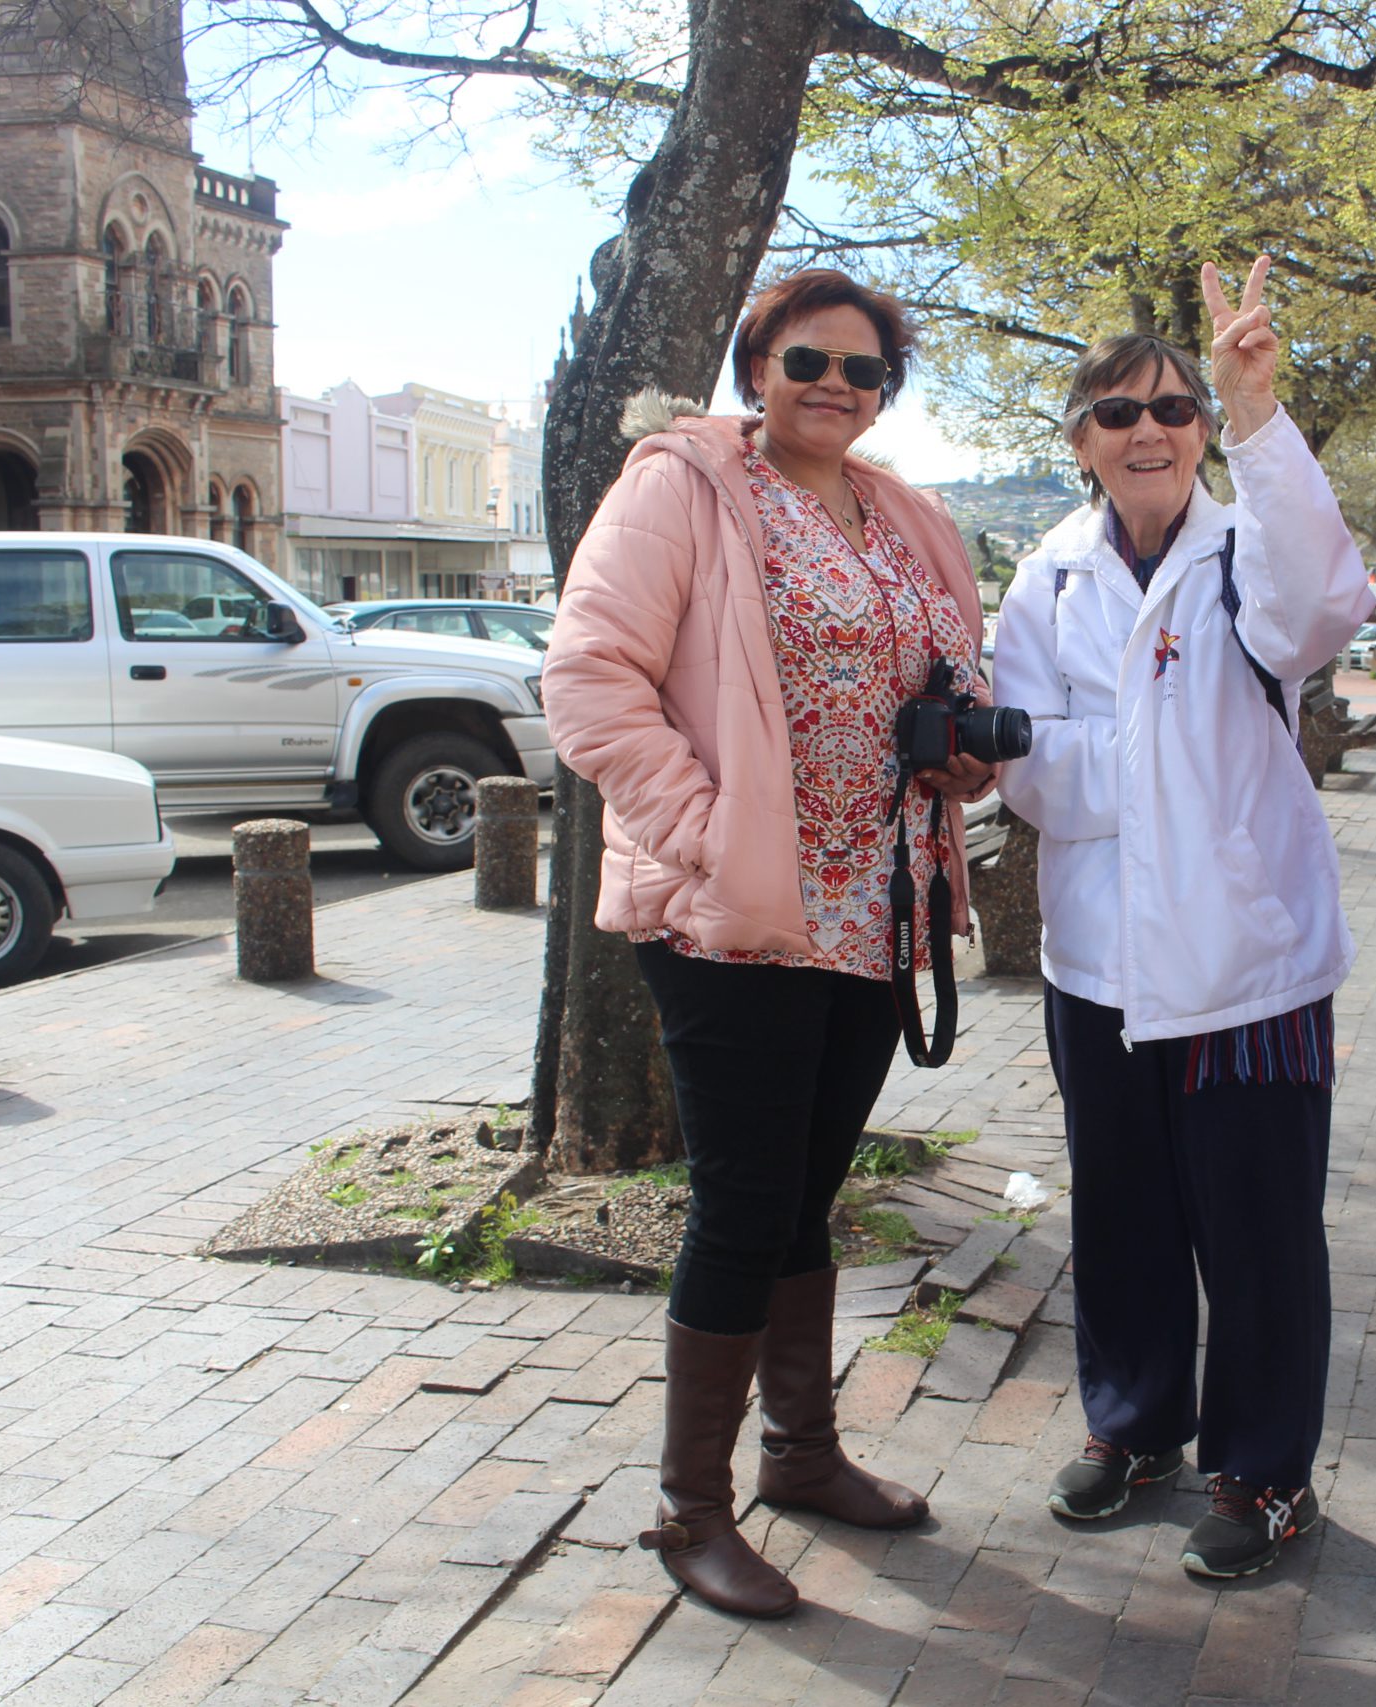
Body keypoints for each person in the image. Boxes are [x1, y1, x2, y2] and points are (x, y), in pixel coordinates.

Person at [541, 269, 997, 1620]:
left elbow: (949, 675)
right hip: (729, 917)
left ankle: (801, 1452)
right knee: (743, 1204)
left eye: (866, 371)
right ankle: (692, 1510)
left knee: (807, 1192)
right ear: (757, 362)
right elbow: (588, 676)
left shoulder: (908, 515)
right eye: (809, 359)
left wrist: (962, 748)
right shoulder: (680, 484)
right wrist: (709, 827)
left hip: (870, 908)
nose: (836, 386)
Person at [994, 258, 1373, 1581]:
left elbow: (1318, 604)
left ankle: (1266, 1472)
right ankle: (1135, 1424)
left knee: (1260, 1230)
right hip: (1096, 961)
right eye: (1116, 412)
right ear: (1079, 440)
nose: (1148, 429)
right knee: (1126, 1211)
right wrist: (1144, 761)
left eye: (1175, 407)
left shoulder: (1244, 546)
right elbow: (1028, 764)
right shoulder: (1043, 580)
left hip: (1246, 961)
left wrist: (1263, 414)